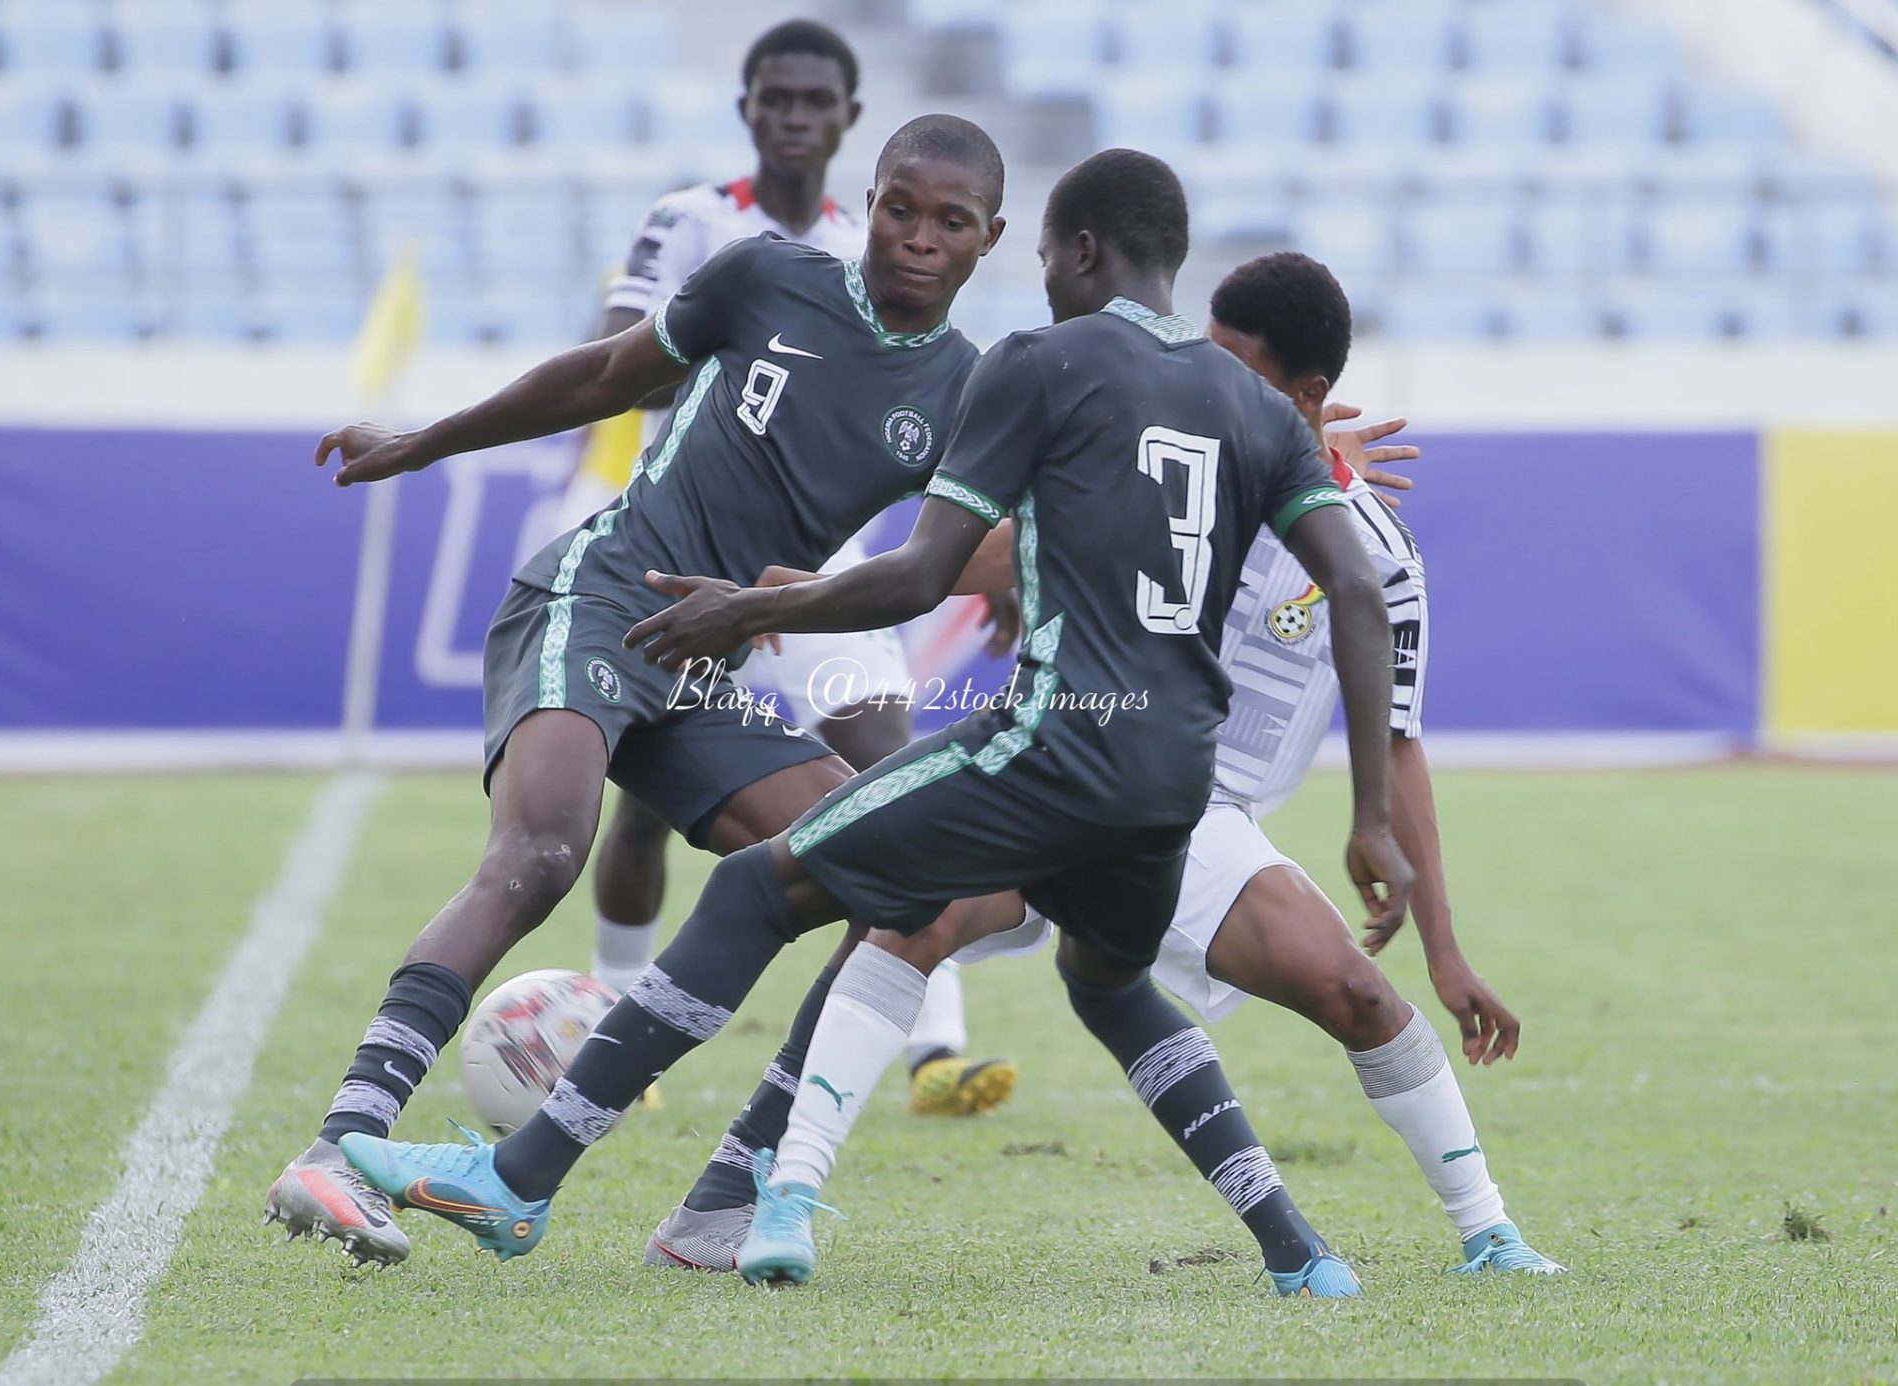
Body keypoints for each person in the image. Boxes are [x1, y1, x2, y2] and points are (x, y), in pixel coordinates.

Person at [336, 148, 1413, 1299]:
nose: (1037, 277)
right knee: (1106, 983)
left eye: (1036, 250)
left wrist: (755, 606)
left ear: (1072, 251)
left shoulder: (1035, 361)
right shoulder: (1252, 410)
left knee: (761, 885)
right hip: (1169, 786)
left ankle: (521, 1178)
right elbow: (1354, 589)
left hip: (1048, 751)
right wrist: (1372, 819)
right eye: (901, 210)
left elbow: (918, 576)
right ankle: (1300, 1253)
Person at [264, 115, 1012, 1268]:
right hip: (599, 595)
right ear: (868, 202)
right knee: (543, 854)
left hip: (705, 661)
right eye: (900, 208)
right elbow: (610, 374)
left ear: (988, 241)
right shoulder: (767, 277)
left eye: (949, 223)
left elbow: (983, 549)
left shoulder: (968, 391)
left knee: (884, 884)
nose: (917, 238)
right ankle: (340, 1141)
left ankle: (727, 1196)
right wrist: (426, 441)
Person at [754, 252, 1563, 1282]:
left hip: (1200, 816)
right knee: (913, 921)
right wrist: (813, 592)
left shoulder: (1375, 558)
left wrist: (1445, 953)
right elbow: (987, 551)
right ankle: (786, 1197)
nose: (1194, 377)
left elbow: (1399, 745)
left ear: (1306, 399)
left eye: (1235, 366)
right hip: (1070, 760)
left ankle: (1488, 1231)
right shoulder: (1153, 456)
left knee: (1356, 994)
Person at [562, 20, 1016, 1123]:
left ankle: (934, 1046)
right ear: (749, 107)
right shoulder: (695, 220)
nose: (796, 115)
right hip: (669, 536)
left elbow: (917, 421)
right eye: (777, 96)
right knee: (643, 804)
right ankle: (628, 1018)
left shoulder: (887, 235)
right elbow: (624, 355)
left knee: (894, 777)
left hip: (818, 558)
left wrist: (987, 560)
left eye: (818, 99)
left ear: (851, 120)